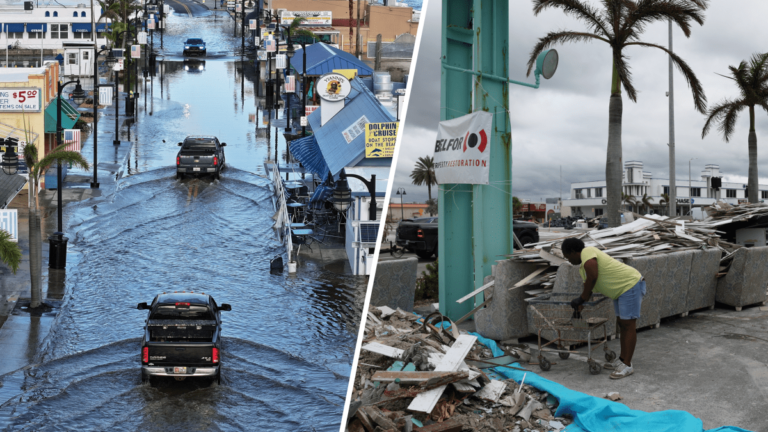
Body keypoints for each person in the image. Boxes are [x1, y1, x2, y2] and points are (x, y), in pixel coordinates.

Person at [561, 237, 646, 379]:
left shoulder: (587, 252)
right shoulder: (583, 268)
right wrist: (579, 307)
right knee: (622, 324)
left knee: (628, 324)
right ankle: (621, 360)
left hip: (629, 284)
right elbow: (588, 288)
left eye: (568, 256)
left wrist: (581, 298)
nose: (568, 260)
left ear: (574, 252)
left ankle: (627, 365)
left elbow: (593, 276)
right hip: (619, 291)